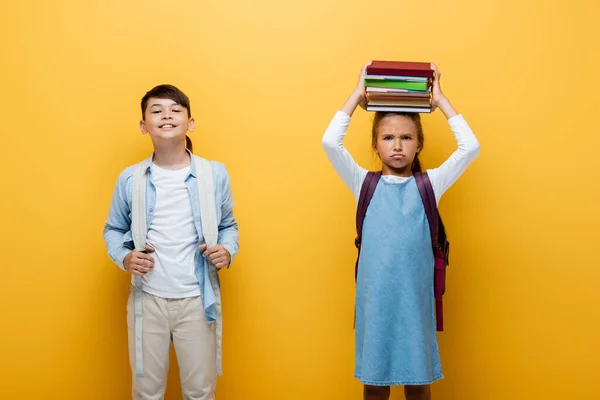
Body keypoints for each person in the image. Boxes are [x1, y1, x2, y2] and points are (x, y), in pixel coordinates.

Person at [322, 62, 480, 400]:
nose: (397, 146)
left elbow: (471, 147)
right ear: (376, 145)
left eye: (406, 138)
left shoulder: (430, 184)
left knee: (418, 383)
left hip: (415, 299)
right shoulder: (363, 182)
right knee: (375, 385)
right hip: (375, 299)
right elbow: (330, 142)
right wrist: (357, 95)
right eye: (388, 138)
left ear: (419, 144)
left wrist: (440, 101)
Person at [103, 84, 239, 400]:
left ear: (190, 122)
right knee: (146, 391)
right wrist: (125, 258)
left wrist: (226, 250)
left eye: (176, 110)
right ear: (143, 125)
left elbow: (229, 226)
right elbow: (113, 230)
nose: (167, 115)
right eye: (157, 110)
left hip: (197, 299)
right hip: (147, 299)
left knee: (200, 392)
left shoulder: (214, 174)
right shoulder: (130, 178)